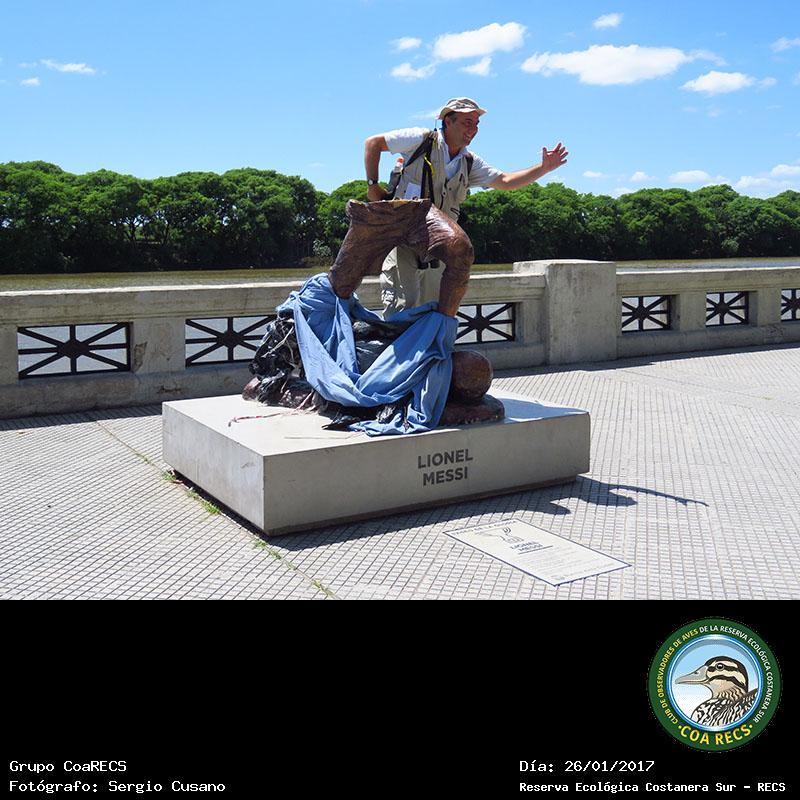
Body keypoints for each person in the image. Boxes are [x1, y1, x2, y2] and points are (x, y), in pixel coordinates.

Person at [363, 97, 568, 318]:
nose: (473, 129)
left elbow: (505, 181)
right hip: (403, 239)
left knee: (434, 314)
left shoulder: (469, 162)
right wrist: (373, 186)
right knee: (401, 312)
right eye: (467, 122)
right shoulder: (420, 139)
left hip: (438, 248)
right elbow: (373, 143)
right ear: (447, 121)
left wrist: (543, 168)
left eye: (476, 124)